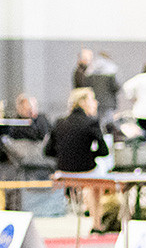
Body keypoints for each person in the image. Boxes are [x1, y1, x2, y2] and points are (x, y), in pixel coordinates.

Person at [45, 87, 109, 229]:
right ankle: (96, 223)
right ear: (83, 102)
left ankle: (89, 210)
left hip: (63, 170)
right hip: (85, 170)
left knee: (91, 181)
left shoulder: (59, 122)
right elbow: (104, 151)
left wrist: (64, 154)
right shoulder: (91, 122)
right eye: (93, 99)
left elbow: (48, 151)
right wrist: (90, 155)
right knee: (98, 182)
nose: (96, 103)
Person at [84, 52, 120, 131]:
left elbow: (87, 86)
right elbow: (115, 87)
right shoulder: (110, 72)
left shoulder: (91, 71)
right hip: (108, 102)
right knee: (108, 125)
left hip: (95, 102)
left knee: (97, 123)